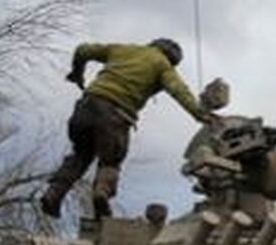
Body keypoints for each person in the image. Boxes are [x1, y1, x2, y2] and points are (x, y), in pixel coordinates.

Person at [39, 38, 215, 219]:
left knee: (81, 155)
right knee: (110, 161)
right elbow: (179, 90)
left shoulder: (121, 49)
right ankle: (101, 194)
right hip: (114, 115)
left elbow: (83, 49)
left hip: (84, 109)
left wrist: (77, 72)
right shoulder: (162, 65)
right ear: (172, 59)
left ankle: (53, 194)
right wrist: (201, 115)